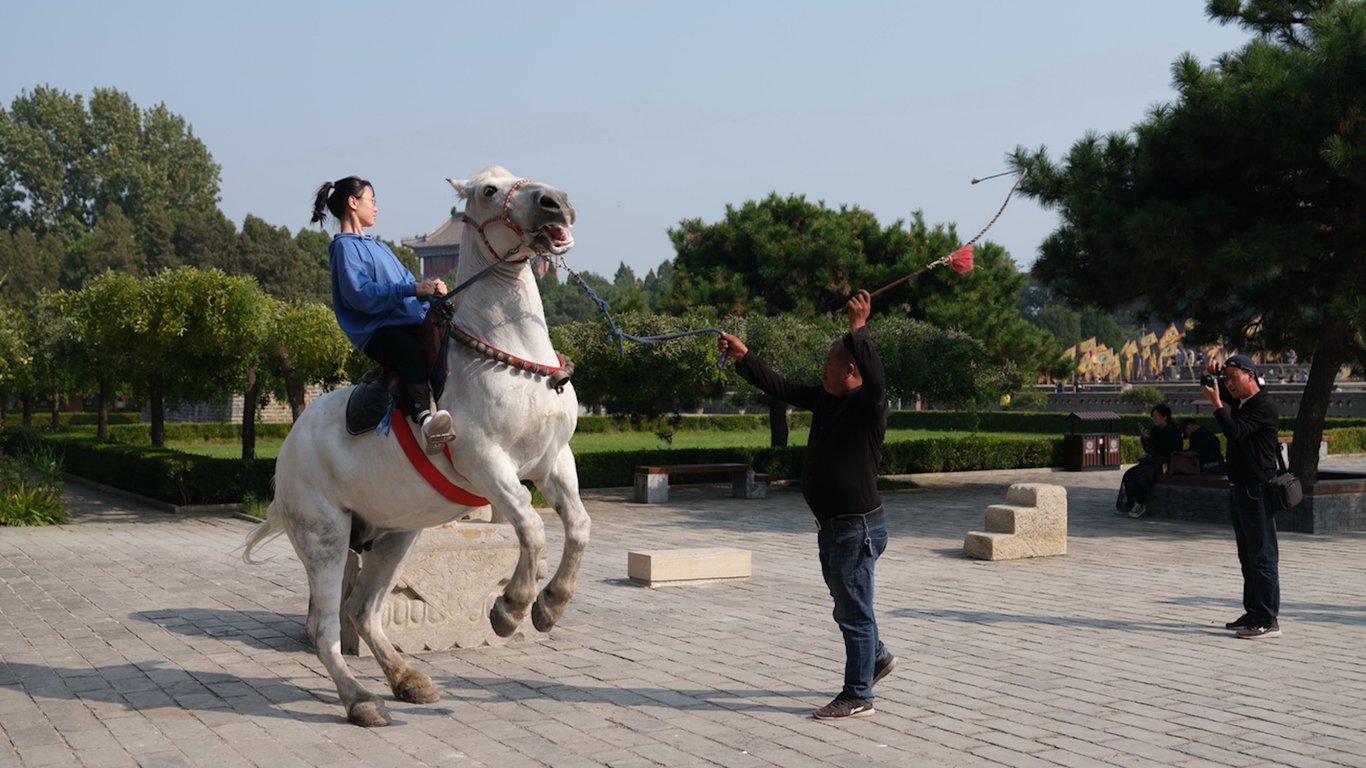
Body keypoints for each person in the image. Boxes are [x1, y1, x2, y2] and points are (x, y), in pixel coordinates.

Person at [717, 290, 895, 721]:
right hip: (834, 526)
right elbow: (778, 385)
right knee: (848, 605)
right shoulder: (826, 399)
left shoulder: (868, 405)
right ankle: (877, 658)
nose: (821, 370)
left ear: (849, 368)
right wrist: (744, 357)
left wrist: (859, 329)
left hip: (857, 528)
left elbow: (876, 376)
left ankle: (858, 695)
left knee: (853, 612)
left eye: (828, 363)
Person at [312, 176, 454, 453]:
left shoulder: (381, 247)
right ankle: (424, 419)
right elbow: (360, 295)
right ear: (353, 203)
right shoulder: (344, 247)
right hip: (380, 329)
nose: (376, 208)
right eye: (371, 200)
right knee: (409, 352)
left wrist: (433, 292)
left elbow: (408, 285)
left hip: (411, 320)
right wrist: (413, 288)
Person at [1201, 354, 1281, 639]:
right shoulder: (1244, 403)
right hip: (1240, 489)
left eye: (1233, 378)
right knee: (1247, 556)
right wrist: (1210, 374)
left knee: (1263, 556)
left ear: (1250, 374)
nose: (1229, 385)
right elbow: (1211, 388)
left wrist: (1216, 404)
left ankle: (1268, 619)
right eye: (1227, 379)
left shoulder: (1263, 406)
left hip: (1257, 490)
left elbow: (1234, 432)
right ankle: (1253, 611)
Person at [1116, 403, 1182, 518]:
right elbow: (1150, 448)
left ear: (1164, 417)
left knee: (1143, 474)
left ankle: (1140, 503)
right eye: (1153, 416)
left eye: (1156, 416)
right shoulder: (1155, 430)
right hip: (1153, 460)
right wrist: (1145, 438)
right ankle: (1132, 502)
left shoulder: (1173, 431)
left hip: (1165, 461)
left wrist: (1154, 445)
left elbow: (1169, 449)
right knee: (1129, 474)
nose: (1153, 419)